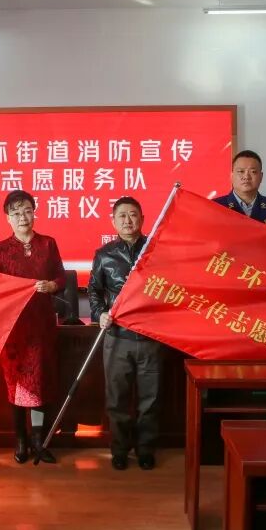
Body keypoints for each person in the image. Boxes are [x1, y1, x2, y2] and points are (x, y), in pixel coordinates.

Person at [88, 196, 164, 471]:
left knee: (150, 399)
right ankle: (119, 449)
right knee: (117, 398)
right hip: (117, 337)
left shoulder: (156, 250)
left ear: (142, 219)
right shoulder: (104, 254)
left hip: (150, 337)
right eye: (122, 215)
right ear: (113, 221)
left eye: (133, 215)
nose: (128, 220)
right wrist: (100, 313)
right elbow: (94, 291)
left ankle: (145, 449)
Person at [0, 190, 66, 464]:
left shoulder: (48, 244)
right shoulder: (0, 249)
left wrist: (52, 285)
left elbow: (61, 277)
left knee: (41, 383)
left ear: (34, 213)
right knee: (16, 384)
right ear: (7, 218)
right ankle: (20, 439)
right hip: (14, 329)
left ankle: (39, 440)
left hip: (41, 325)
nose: (22, 217)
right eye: (16, 213)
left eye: (27, 211)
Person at [213, 150, 266, 233]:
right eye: (241, 171)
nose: (246, 177)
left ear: (261, 177)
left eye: (253, 172)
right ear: (232, 176)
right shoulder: (215, 208)